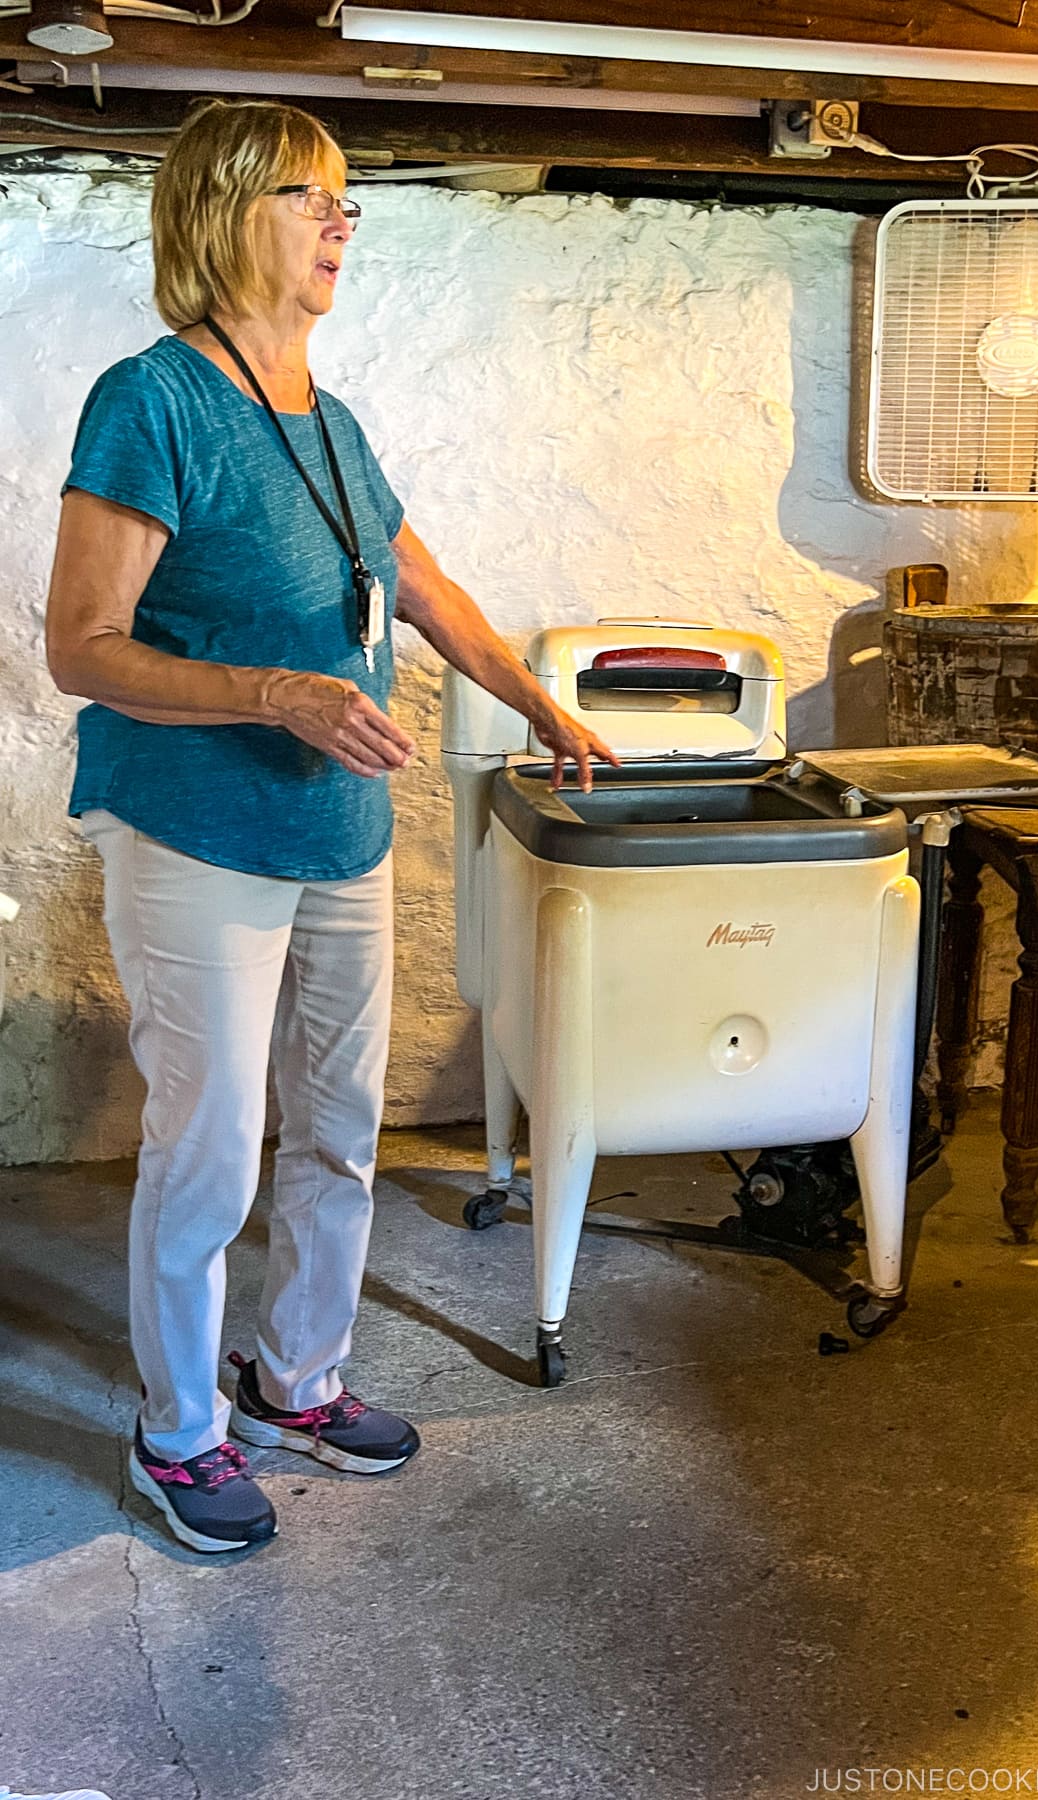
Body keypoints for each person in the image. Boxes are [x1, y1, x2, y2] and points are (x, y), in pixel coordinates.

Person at [44, 97, 618, 1553]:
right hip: (191, 833)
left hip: (339, 836)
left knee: (344, 1128)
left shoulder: (333, 420)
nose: (343, 223)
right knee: (212, 1145)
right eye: (315, 196)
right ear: (230, 207)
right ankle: (178, 1435)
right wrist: (274, 693)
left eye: (348, 201)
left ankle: (294, 1380)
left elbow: (417, 587)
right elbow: (83, 645)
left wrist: (540, 702)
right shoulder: (152, 399)